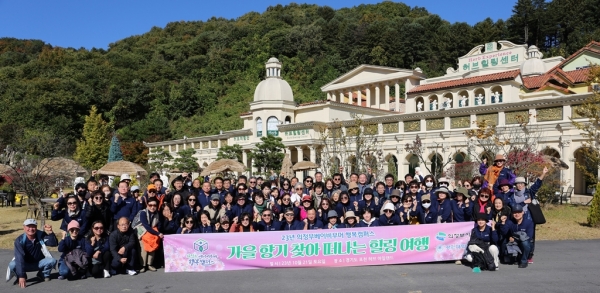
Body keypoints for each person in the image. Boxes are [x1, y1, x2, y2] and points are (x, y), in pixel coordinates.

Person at [7, 219, 58, 288]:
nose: (31, 229)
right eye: (28, 226)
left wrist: (50, 232)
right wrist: (21, 275)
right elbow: (19, 258)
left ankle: (42, 274)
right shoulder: (19, 240)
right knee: (12, 264)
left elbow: (53, 243)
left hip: (39, 263)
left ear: (36, 227)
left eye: (33, 226)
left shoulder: (41, 235)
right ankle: (21, 276)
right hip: (25, 265)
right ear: (24, 228)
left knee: (52, 261)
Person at [138, 197, 162, 272]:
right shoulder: (143, 213)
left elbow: (159, 225)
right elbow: (146, 226)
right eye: (150, 205)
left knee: (153, 247)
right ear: (147, 205)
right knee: (144, 249)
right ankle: (143, 265)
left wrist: (157, 233)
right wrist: (158, 233)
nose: (152, 207)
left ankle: (150, 264)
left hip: (152, 233)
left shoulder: (157, 214)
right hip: (142, 232)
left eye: (154, 205)